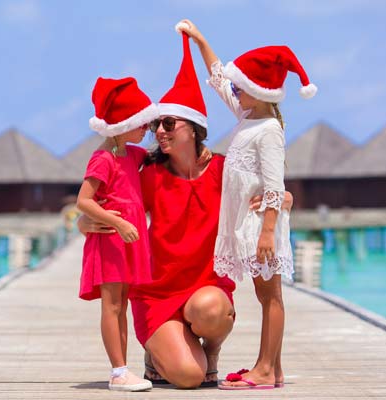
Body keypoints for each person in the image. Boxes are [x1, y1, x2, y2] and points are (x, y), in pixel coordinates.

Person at [77, 28, 295, 390]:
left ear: (193, 129)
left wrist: (285, 198)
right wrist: (85, 222)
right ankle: (160, 355)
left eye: (168, 123)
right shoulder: (148, 173)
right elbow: (108, 199)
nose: (159, 131)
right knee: (189, 378)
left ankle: (211, 352)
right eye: (155, 124)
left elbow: (264, 185)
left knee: (213, 311)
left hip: (206, 291)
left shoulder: (225, 170)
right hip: (156, 294)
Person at [177, 19, 316, 390]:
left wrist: (268, 232)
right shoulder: (247, 116)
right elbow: (219, 76)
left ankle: (265, 369)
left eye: (241, 87)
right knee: (265, 294)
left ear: (258, 90)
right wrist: (200, 40)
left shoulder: (269, 130)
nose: (234, 90)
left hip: (261, 225)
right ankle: (273, 369)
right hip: (251, 223)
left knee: (270, 296)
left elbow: (274, 185)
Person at [77, 77, 159, 392]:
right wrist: (121, 224)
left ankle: (123, 368)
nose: (146, 129)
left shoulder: (130, 154)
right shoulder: (104, 158)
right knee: (112, 305)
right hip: (112, 240)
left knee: (122, 304)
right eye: (141, 123)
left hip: (126, 242)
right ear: (122, 124)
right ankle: (117, 371)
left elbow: (155, 159)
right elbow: (84, 201)